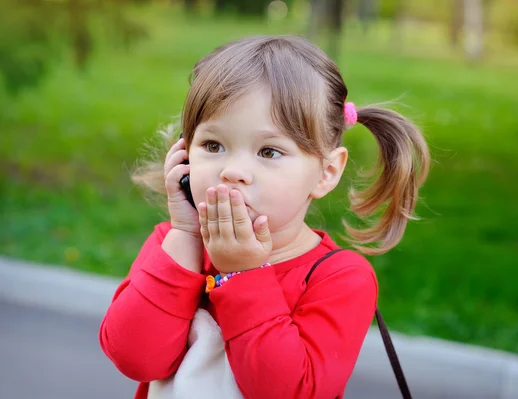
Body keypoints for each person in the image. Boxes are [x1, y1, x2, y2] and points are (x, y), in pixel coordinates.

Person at [99, 35, 429, 399]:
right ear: (184, 153)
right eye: (213, 145)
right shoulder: (171, 245)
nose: (233, 171)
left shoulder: (340, 278)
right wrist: (184, 238)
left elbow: (288, 391)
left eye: (269, 151)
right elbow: (135, 359)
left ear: (326, 173)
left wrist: (243, 275)